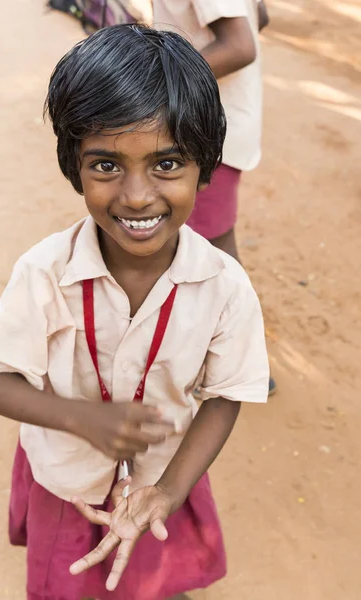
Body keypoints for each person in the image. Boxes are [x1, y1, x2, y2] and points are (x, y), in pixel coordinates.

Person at [0, 24, 269, 600]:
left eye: (167, 163)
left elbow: (228, 392)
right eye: (105, 165)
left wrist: (171, 490)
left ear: (206, 166)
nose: (135, 195)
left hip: (162, 475)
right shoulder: (45, 273)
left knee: (160, 576)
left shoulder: (225, 286)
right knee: (68, 584)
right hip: (69, 481)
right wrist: (82, 418)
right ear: (73, 167)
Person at [153, 0, 276, 394]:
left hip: (206, 133)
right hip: (207, 123)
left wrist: (155, 86)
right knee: (212, 245)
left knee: (211, 253)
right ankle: (241, 356)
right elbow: (260, 16)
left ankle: (241, 361)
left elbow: (240, 45)